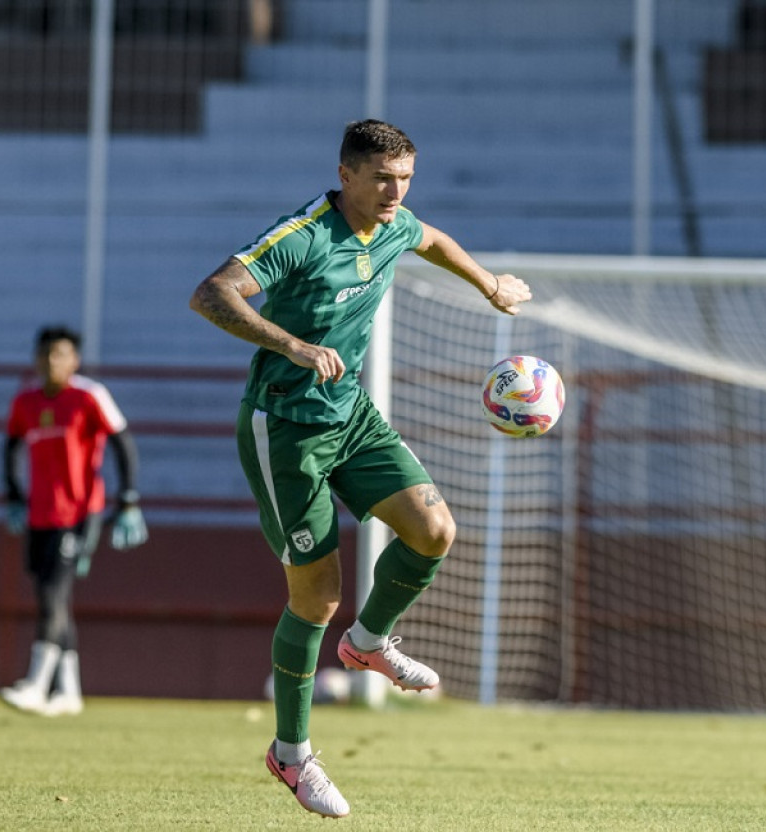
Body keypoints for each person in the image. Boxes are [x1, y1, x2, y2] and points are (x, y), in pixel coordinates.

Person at [188, 119, 531, 818]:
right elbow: (212, 293)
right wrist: (292, 345)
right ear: (345, 174)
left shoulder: (396, 223)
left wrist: (489, 284)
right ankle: (291, 756)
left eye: (405, 178)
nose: (395, 192)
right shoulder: (304, 235)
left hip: (353, 418)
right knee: (315, 597)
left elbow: (430, 239)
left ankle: (369, 643)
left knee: (434, 530)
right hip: (284, 430)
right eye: (381, 178)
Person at [0, 325, 148, 716]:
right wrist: (15, 497)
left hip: (79, 515)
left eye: (60, 355)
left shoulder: (89, 396)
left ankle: (36, 683)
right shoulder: (26, 402)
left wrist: (128, 500)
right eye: (46, 355)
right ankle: (69, 691)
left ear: (75, 360)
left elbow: (123, 444)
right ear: (35, 359)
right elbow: (11, 446)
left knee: (52, 595)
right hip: (39, 515)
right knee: (53, 598)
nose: (52, 362)